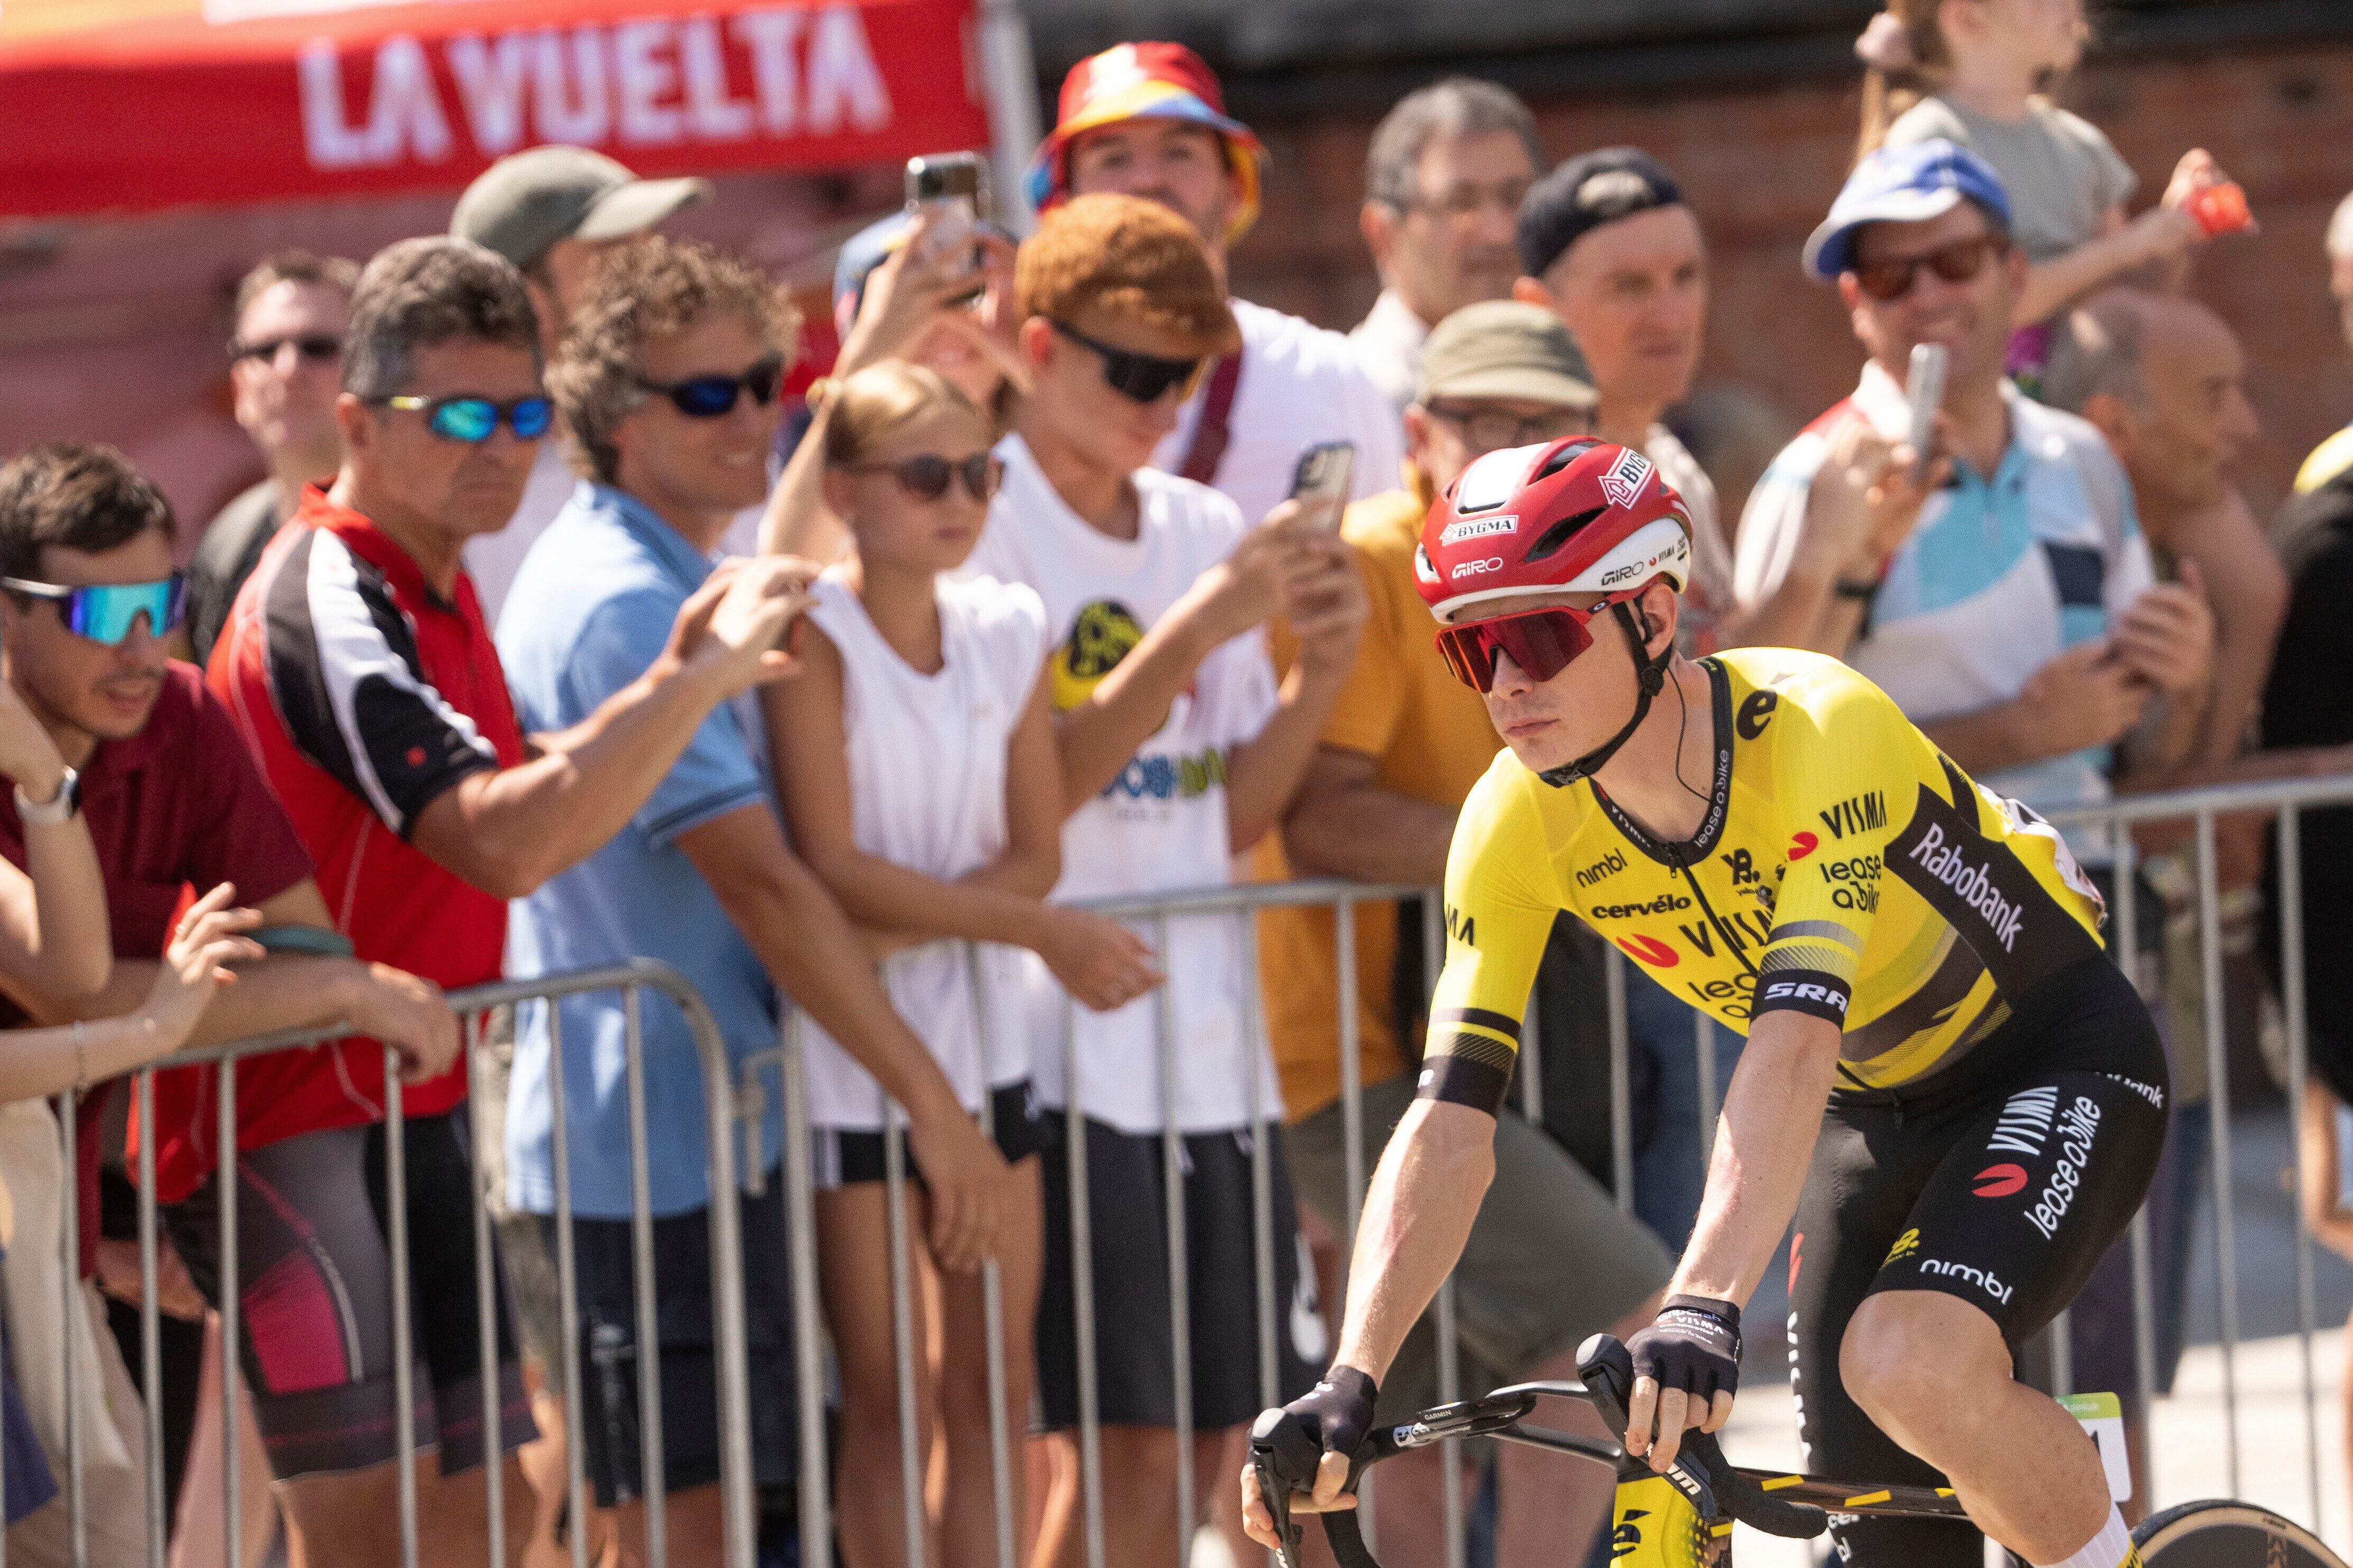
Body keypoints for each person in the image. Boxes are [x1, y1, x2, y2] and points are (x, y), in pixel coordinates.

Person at [1240, 435, 2171, 1568]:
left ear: (1651, 615)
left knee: (1906, 1360)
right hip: (1868, 1112)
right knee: (1876, 1522)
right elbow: (1447, 1122)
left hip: (2048, 1056)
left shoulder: (1816, 727)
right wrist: (1352, 1377)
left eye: (1540, 635)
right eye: (1471, 648)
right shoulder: (1511, 820)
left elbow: (1791, 1040)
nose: (1507, 682)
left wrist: (1700, 1299)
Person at [196, 235, 808, 1568]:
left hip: (411, 1102)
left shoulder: (439, 570)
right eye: (460, 417)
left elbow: (522, 796)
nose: (501, 449)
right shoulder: (328, 588)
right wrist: (687, 685)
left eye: (523, 416)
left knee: (491, 1519)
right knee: (365, 1538)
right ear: (360, 423)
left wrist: (677, 685)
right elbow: (502, 843)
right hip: (291, 1118)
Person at [501, 235, 1014, 1564]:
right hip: (647, 1158)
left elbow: (783, 549)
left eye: (762, 387)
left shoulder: (665, 561)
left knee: (738, 1518)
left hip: (694, 1138)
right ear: (617, 421)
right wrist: (937, 1108)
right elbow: (768, 887)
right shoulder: (621, 598)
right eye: (705, 395)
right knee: (681, 1531)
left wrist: (872, 347)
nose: (747, 419)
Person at [964, 192, 1365, 1568]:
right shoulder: (978, 514)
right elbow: (1028, 803)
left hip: (1210, 1050)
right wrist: (1191, 631)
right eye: (1134, 370)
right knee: (1121, 1449)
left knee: (1215, 1446)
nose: (1159, 403)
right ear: (1037, 346)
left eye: (1184, 377)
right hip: (1059, 1047)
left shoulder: (1198, 524)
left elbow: (1228, 810)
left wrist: (1319, 672)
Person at [0, 441, 463, 1568]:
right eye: (98, 611)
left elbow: (294, 941)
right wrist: (323, 992)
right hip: (32, 1229)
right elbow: (66, 983)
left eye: (161, 602)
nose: (138, 645)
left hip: (52, 1240)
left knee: (114, 1542)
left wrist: (305, 985)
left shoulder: (179, 713)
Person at [1264, 300, 1671, 1568]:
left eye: (1541, 427)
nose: (1505, 450)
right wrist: (1538, 848)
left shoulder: (1595, 574)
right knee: (1617, 1311)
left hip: (1479, 1047)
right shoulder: (1379, 561)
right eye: (1482, 419)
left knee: (1402, 1428)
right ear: (1418, 432)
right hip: (1357, 1058)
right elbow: (1320, 816)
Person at [765, 360, 1161, 1568]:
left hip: (987, 1045)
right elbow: (831, 864)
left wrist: (894, 931)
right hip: (851, 1063)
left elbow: (1038, 853)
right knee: (888, 1398)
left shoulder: (1006, 625)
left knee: (994, 1384)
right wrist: (1026, 929)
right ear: (845, 490)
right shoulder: (809, 635)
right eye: (925, 474)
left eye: (980, 473)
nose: (958, 499)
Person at [1734, 142, 2213, 828]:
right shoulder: (1810, 475)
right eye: (1888, 275)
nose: (1927, 294)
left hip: (2090, 879)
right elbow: (1755, 751)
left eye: (1955, 261)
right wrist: (2011, 734)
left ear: (2013, 273)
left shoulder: (2083, 459)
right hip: (1897, 893)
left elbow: (2137, 748)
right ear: (1855, 301)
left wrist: (2184, 684)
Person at [1510, 146, 1744, 1243]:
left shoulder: (1675, 472)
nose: (1668, 311)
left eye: (1685, 276)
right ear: (1539, 309)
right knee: (1655, 1294)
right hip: (1601, 947)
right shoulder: (1518, 501)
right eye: (1627, 285)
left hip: (1713, 924)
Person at [1031, 41, 1405, 529]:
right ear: (1063, 202)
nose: (1148, 180)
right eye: (1113, 158)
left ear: (1234, 188)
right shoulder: (1024, 389)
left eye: (1179, 152)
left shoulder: (1330, 378)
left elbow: (1387, 569)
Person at [1852, 0, 2233, 339]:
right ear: (1966, 18)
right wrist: (2128, 246)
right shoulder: (1928, 143)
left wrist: (2175, 229)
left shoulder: (2082, 144)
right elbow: (1976, 308)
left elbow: (2130, 313)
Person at [448, 144, 711, 624]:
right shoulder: (467, 481)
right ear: (525, 302)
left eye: (652, 247)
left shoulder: (713, 420)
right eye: (616, 257)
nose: (657, 277)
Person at [758, 207, 1029, 564]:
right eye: (913, 303)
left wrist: (1034, 363)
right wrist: (864, 364)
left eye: (969, 295)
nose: (946, 325)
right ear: (863, 332)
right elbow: (787, 565)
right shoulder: (848, 482)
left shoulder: (1048, 447)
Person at [186, 250, 358, 667]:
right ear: (239, 389)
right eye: (264, 350)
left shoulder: (428, 532)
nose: (288, 368)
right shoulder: (224, 547)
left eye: (318, 347)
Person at [1348, 79, 1544, 411]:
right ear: (1383, 233)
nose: (1498, 232)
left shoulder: (1584, 381)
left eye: (1515, 197)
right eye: (1460, 204)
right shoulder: (1350, 401)